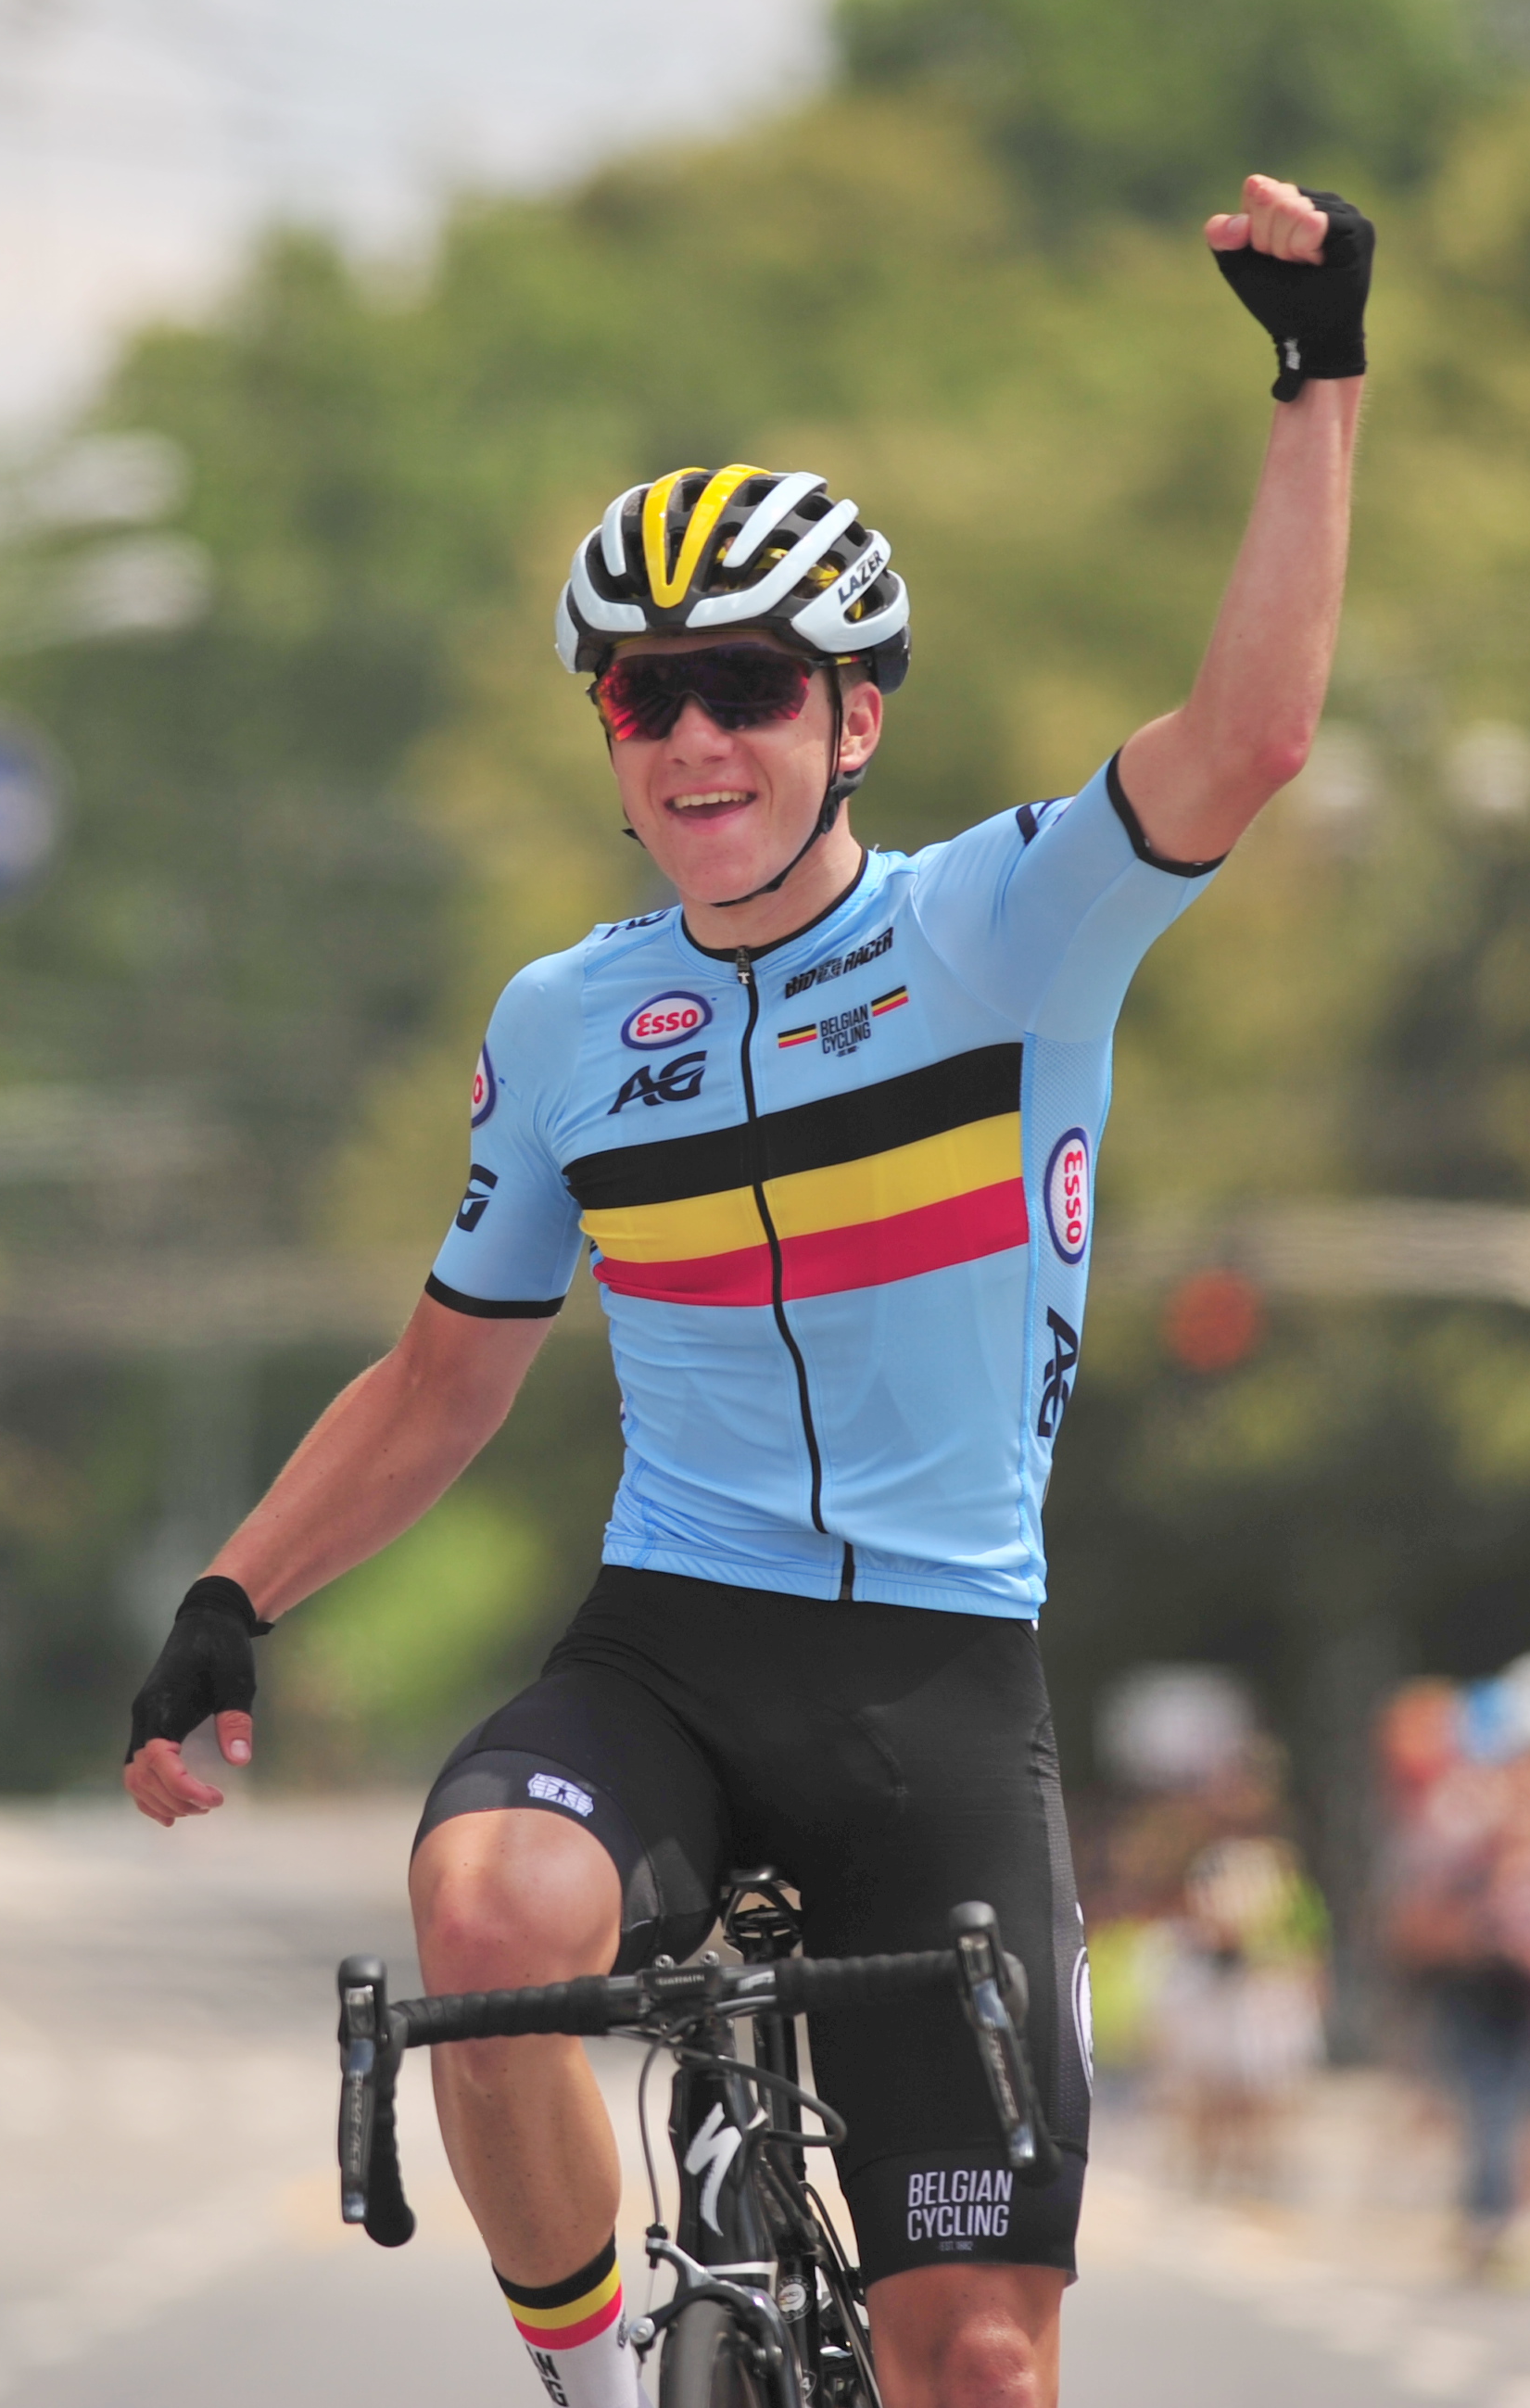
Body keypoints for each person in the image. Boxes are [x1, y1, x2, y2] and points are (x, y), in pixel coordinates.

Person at [119, 173, 1374, 2408]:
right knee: (484, 1913)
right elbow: (439, 1381)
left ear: (853, 715)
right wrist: (234, 1598)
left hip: (933, 1684)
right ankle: (600, 2390)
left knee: (977, 2369)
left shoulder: (1004, 929)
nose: (694, 739)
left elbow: (1248, 738)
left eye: (749, 688)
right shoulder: (567, 1024)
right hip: (671, 1652)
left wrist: (1317, 379)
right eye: (644, 696)